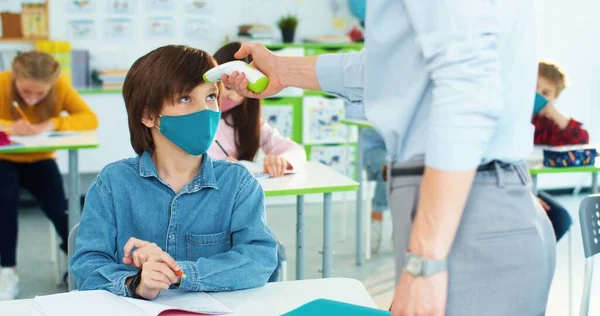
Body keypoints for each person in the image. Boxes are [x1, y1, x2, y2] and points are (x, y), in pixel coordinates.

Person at [221, 1, 555, 315]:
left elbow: (466, 89)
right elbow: (395, 68)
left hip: (468, 206)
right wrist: (282, 69)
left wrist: (425, 264)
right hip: (459, 202)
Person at [69, 45, 277, 300]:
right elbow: (86, 266)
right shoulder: (112, 184)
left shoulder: (238, 183)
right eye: (185, 99)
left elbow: (259, 260)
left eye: (211, 97)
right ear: (148, 115)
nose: (206, 111)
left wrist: (179, 273)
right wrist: (136, 283)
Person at [0, 51, 98, 300]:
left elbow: (89, 118)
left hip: (41, 158)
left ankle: (77, 262)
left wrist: (53, 123)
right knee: (5, 205)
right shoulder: (2, 82)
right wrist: (9, 126)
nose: (32, 100)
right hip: (4, 160)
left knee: (61, 210)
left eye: (40, 94)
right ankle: (7, 270)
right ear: (15, 80)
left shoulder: (61, 87)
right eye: (25, 93)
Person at [208, 42, 306, 177]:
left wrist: (281, 161)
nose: (234, 97)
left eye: (243, 91)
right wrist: (218, 165)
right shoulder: (196, 117)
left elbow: (296, 151)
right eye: (229, 87)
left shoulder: (247, 122)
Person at [533, 60, 589, 242]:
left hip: (530, 187)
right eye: (534, 88)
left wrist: (551, 110)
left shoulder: (547, 125)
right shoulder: (511, 115)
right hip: (512, 185)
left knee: (560, 219)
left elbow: (580, 139)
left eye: (545, 93)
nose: (537, 96)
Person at [345, 101, 388, 254]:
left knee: (412, 168)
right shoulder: (362, 84)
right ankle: (377, 215)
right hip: (373, 150)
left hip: (398, 148)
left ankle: (403, 221)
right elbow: (351, 112)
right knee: (389, 167)